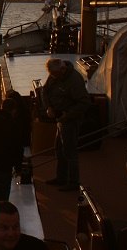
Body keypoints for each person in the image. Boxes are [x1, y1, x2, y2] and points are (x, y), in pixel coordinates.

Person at [40, 58, 89, 191]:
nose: (53, 77)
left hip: (70, 120)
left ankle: (73, 182)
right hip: (59, 118)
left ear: (62, 69)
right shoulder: (55, 75)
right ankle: (61, 177)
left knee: (69, 151)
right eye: (52, 75)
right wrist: (48, 107)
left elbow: (84, 103)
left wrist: (67, 115)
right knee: (59, 149)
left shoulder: (74, 81)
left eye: (55, 74)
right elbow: (45, 91)